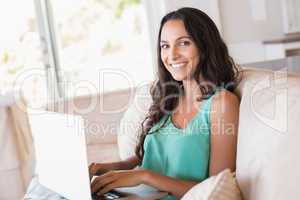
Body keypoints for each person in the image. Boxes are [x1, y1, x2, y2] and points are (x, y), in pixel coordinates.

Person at [90, 7, 240, 200]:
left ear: (205, 46)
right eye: (165, 46)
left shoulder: (222, 104)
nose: (172, 55)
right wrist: (111, 169)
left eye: (183, 43)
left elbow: (214, 189)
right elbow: (154, 156)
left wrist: (144, 176)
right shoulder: (169, 97)